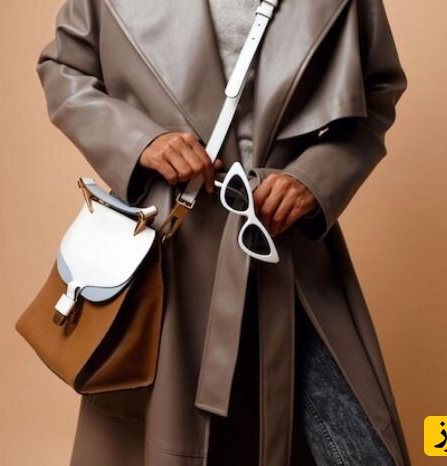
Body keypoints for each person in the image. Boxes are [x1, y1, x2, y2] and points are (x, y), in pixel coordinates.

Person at [35, 0, 410, 465]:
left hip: (280, 243)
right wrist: (140, 140)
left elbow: (378, 89)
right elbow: (63, 69)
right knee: (183, 442)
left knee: (358, 444)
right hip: (174, 249)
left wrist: (315, 177)